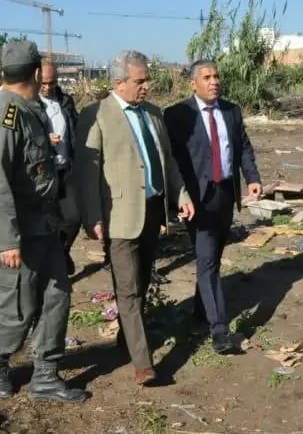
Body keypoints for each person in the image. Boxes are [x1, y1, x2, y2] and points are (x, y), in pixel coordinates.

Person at [0, 41, 87, 403]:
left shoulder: (30, 108)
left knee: (57, 296)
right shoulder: (5, 116)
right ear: (37, 73)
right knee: (18, 312)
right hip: (13, 233)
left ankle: (46, 376)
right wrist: (7, 241)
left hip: (43, 226)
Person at [75, 50, 194, 385]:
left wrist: (181, 194)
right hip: (119, 216)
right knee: (127, 288)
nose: (147, 86)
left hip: (153, 210)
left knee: (141, 281)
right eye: (140, 81)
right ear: (119, 83)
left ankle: (127, 336)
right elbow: (87, 173)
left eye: (147, 79)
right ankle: (143, 363)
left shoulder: (153, 114)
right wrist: (92, 216)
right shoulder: (96, 115)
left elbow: (168, 160)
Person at [164, 60, 262, 355]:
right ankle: (219, 331)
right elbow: (172, 159)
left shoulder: (231, 111)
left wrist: (252, 178)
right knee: (207, 260)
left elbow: (243, 146)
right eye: (206, 77)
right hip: (197, 199)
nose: (214, 82)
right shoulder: (177, 114)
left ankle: (200, 310)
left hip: (225, 193)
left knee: (214, 257)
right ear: (193, 83)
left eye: (216, 76)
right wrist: (178, 197)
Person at [37, 61, 81, 275]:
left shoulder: (65, 101)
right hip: (43, 171)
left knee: (74, 217)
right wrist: (44, 139)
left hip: (66, 166)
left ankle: (62, 251)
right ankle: (52, 262)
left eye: (52, 83)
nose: (47, 87)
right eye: (43, 83)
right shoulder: (29, 104)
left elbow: (75, 126)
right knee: (48, 219)